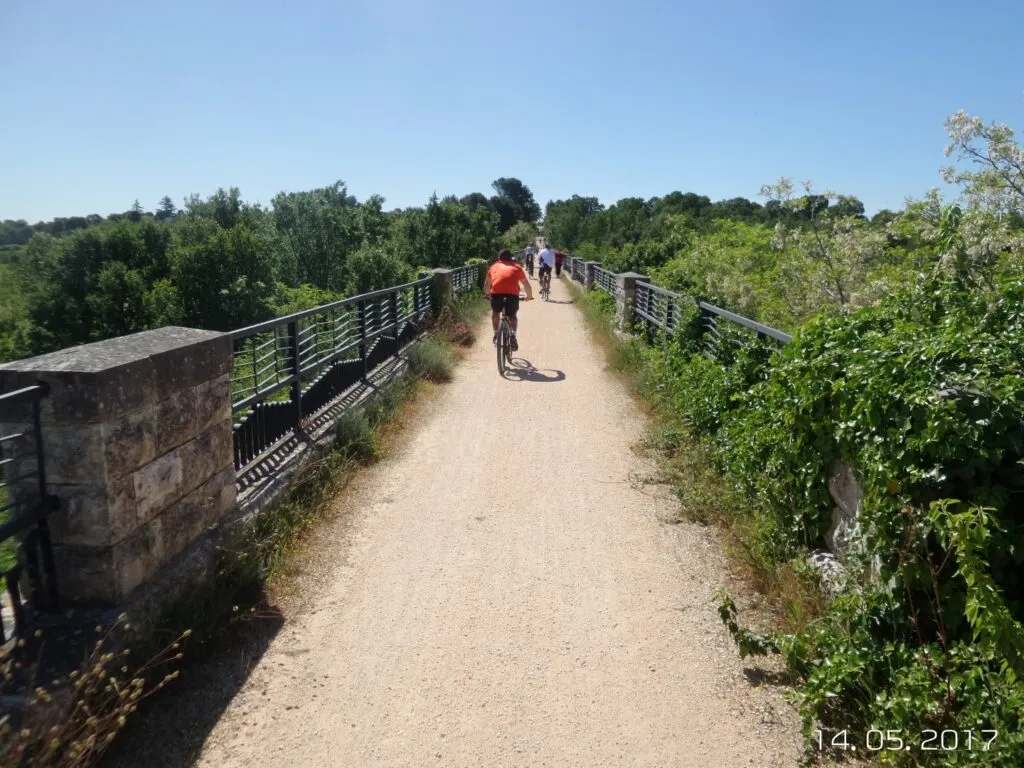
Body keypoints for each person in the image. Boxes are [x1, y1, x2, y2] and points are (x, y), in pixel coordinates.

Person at [483, 248, 533, 351]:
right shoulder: (517, 267)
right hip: (512, 296)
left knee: (495, 313)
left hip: (496, 295)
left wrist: (487, 294)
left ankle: (496, 334)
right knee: (512, 316)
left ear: (498, 258)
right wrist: (529, 296)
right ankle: (513, 335)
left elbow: (487, 285)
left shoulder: (493, 267)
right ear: (511, 258)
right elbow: (526, 285)